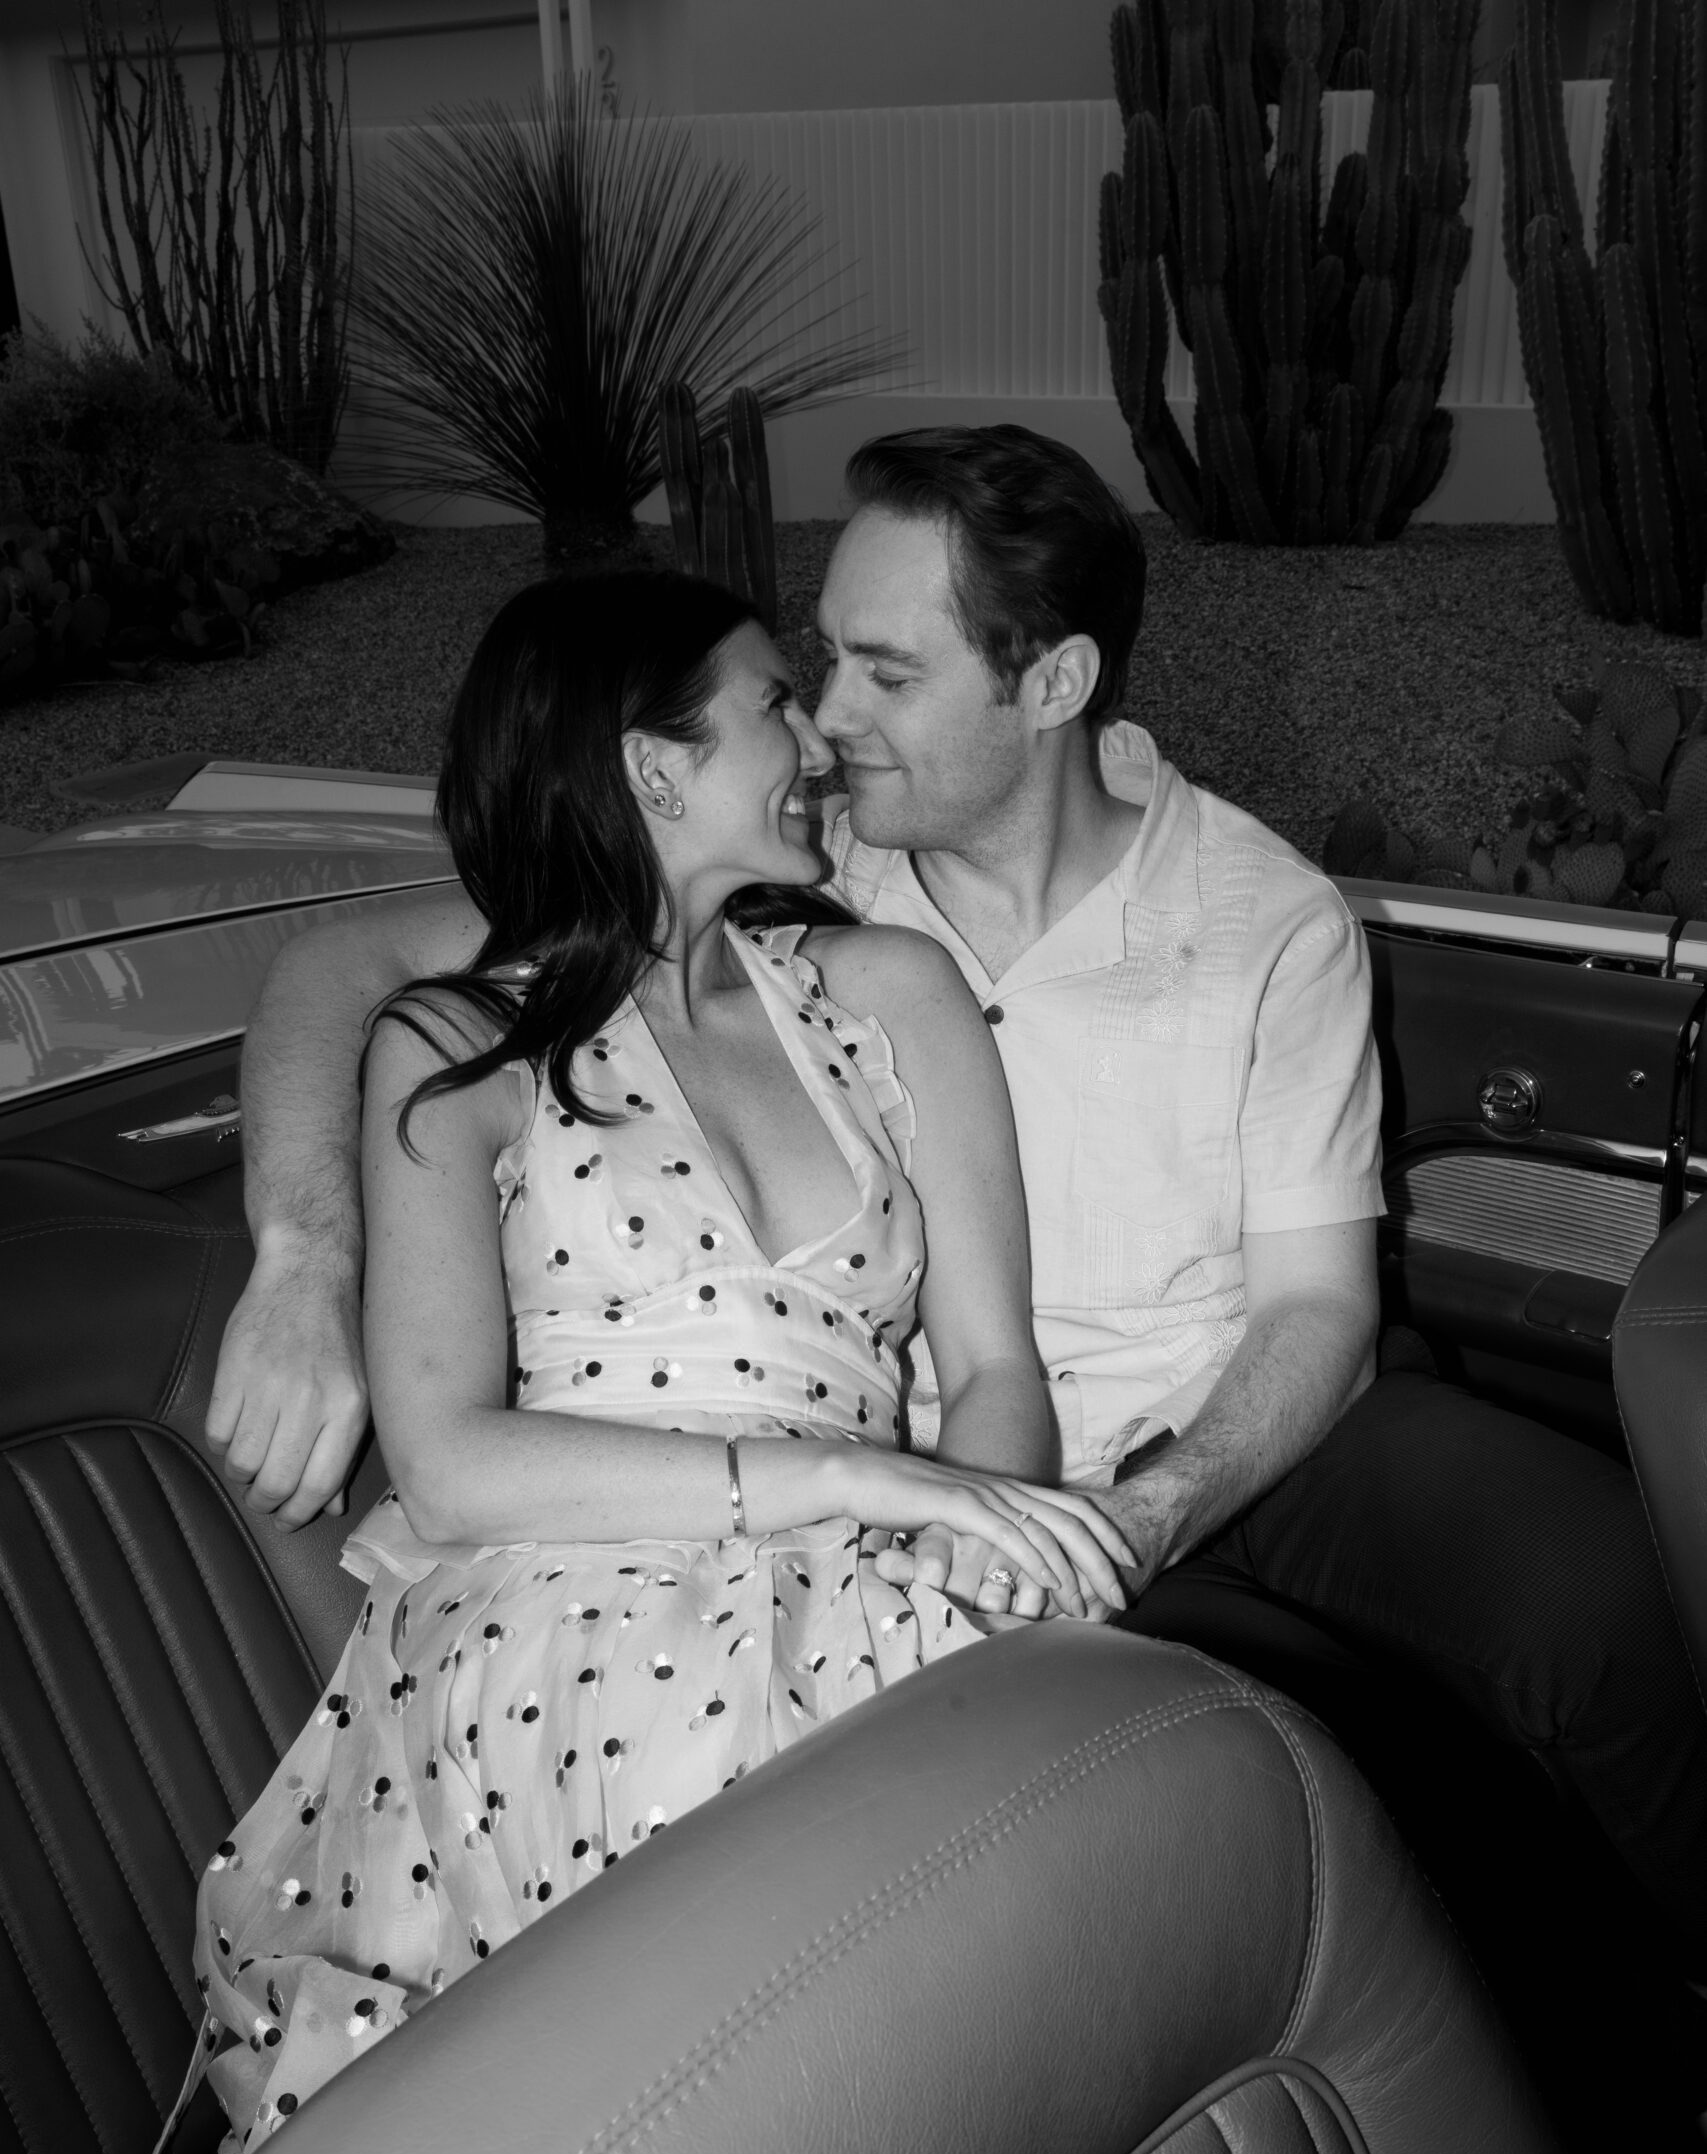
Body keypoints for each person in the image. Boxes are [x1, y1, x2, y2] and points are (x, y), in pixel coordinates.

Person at [207, 426, 1707, 1999]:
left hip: (1235, 1428)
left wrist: (1145, 1510)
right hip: (924, 1484)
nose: (834, 721)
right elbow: (345, 973)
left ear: (1049, 686)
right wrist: (307, 1258)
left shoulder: (1266, 923)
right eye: (813, 673)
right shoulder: (801, 869)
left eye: (883, 674)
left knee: (1600, 1599)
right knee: (1340, 1776)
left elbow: (1318, 1316)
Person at [193, 570, 1133, 2154]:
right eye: (776, 701)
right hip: (572, 1608)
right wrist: (837, 1476)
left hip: (891, 1563)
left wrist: (956, 1548)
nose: (819, 739)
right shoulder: (453, 1048)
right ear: (651, 768)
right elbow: (448, 1459)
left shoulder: (891, 993)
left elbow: (991, 1364)